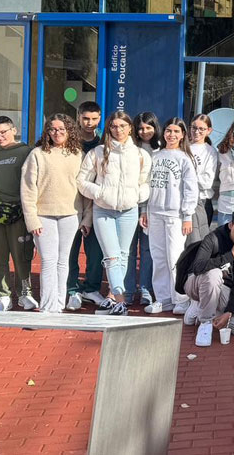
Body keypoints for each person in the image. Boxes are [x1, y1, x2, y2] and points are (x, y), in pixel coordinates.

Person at [76, 110, 151, 316]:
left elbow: (145, 183)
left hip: (129, 210)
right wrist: (99, 193)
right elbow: (82, 181)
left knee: (124, 255)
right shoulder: (98, 153)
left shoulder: (140, 155)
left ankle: (115, 299)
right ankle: (120, 299)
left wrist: (137, 195)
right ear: (109, 128)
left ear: (130, 128)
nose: (118, 130)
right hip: (103, 211)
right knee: (111, 256)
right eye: (114, 126)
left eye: (122, 126)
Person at [21, 114, 85, 314]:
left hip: (70, 214)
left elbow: (84, 189)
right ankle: (48, 306)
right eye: (53, 129)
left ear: (69, 131)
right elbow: (27, 188)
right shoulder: (37, 154)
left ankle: (59, 302)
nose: (57, 133)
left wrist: (86, 217)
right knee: (48, 260)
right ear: (47, 132)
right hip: (43, 216)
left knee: (63, 260)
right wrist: (31, 219)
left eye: (61, 129)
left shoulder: (77, 154)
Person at [142, 118, 199, 315]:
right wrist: (144, 211)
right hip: (155, 213)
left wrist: (187, 215)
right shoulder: (154, 156)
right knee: (158, 258)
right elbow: (146, 185)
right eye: (168, 130)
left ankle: (181, 299)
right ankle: (163, 298)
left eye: (176, 131)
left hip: (175, 216)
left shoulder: (185, 158)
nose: (171, 135)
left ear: (183, 134)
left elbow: (191, 189)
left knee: (175, 257)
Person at [0, 116, 36, 311]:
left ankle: (24, 293)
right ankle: (3, 296)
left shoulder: (28, 153)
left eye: (3, 132)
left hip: (20, 213)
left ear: (14, 130)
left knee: (22, 256)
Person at [177, 207, 234, 346]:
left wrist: (229, 312)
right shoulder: (213, 238)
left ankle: (202, 306)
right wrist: (231, 255)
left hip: (222, 288)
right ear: (231, 225)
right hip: (195, 283)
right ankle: (205, 323)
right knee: (214, 274)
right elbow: (198, 267)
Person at [65, 101, 104, 310]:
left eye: (94, 118)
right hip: (69, 204)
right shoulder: (66, 142)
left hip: (95, 205)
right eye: (85, 118)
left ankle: (92, 288)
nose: (89, 123)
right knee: (70, 251)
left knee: (95, 252)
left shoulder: (103, 144)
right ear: (78, 116)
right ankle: (72, 290)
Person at [126, 111, 163, 305]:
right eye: (140, 128)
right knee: (130, 250)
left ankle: (146, 289)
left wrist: (146, 210)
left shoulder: (162, 149)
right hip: (130, 205)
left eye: (148, 127)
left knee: (148, 251)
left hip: (153, 207)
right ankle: (128, 290)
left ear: (155, 127)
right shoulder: (130, 148)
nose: (144, 131)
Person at [187, 114, 219, 246]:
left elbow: (206, 181)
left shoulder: (210, 152)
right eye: (194, 128)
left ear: (208, 131)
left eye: (201, 129)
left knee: (198, 244)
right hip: (182, 201)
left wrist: (186, 178)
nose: (197, 131)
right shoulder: (183, 147)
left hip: (201, 202)